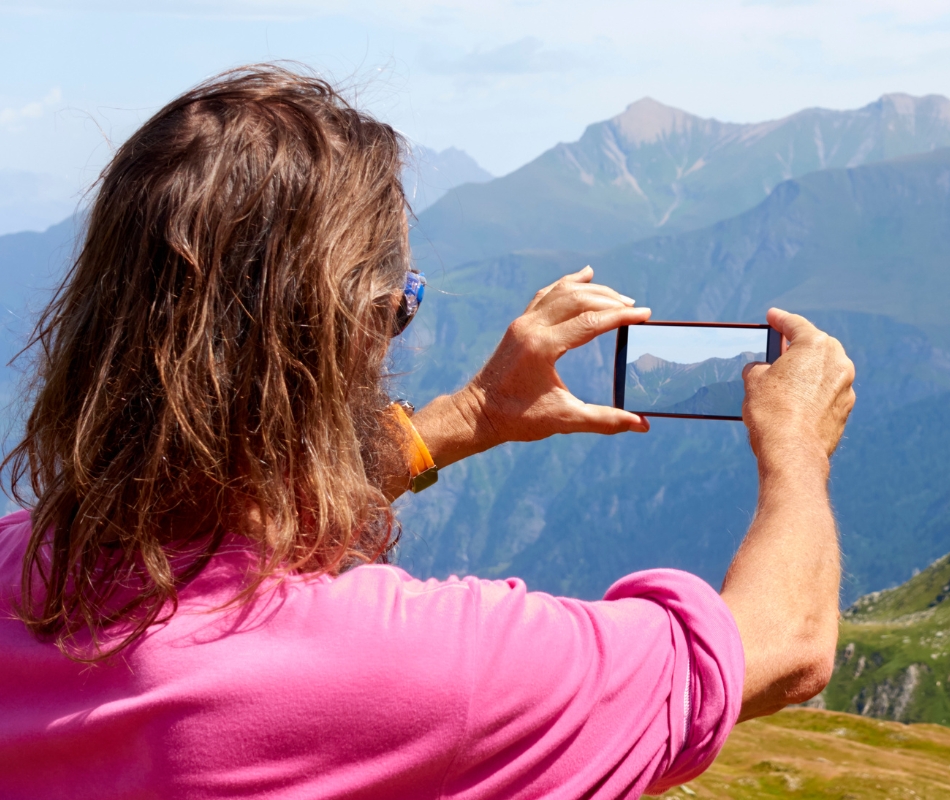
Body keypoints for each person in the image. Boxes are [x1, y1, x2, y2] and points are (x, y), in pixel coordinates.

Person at [0, 65, 855, 799]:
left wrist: (468, 417)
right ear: (347, 331)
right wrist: (796, 450)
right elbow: (782, 648)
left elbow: (213, 524)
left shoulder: (18, 574)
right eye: (402, 302)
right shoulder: (425, 675)